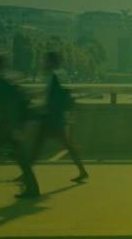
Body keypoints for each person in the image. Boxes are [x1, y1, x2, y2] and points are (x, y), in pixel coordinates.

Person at [32, 51, 89, 183]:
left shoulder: (54, 76)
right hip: (55, 117)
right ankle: (82, 170)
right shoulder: (59, 75)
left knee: (38, 145)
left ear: (51, 62)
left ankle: (26, 171)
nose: (43, 62)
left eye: (45, 60)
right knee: (64, 145)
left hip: (51, 118)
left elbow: (52, 97)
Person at [0, 55, 39, 198]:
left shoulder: (3, 81)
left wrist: (15, 128)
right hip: (14, 124)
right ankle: (31, 188)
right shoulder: (11, 78)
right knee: (21, 157)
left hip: (12, 125)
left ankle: (32, 189)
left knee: (21, 157)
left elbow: (9, 107)